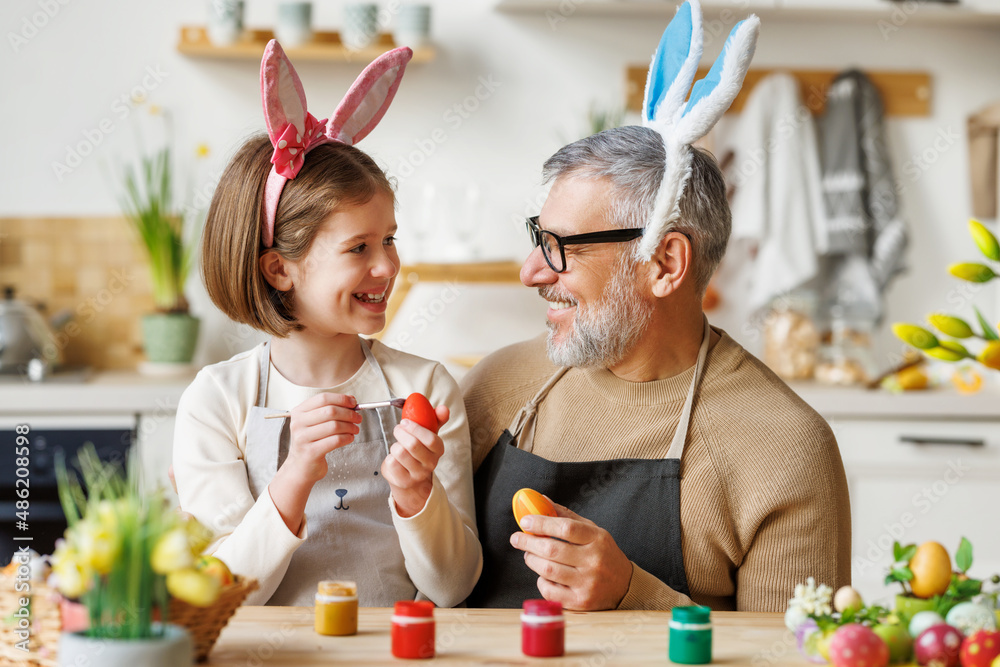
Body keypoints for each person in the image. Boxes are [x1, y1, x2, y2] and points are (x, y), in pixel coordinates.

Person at [462, 2, 850, 612]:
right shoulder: (497, 387)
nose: (530, 272)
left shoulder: (784, 448)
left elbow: (793, 657)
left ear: (666, 264)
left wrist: (630, 594)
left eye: (562, 248)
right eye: (539, 238)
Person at [173, 41, 481, 607]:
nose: (387, 265)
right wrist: (293, 478)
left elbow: (454, 587)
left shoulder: (426, 388)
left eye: (389, 239)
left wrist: (417, 494)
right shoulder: (217, 400)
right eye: (358, 247)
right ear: (280, 269)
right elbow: (216, 597)